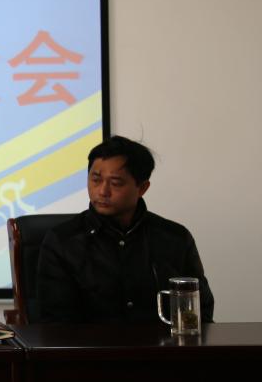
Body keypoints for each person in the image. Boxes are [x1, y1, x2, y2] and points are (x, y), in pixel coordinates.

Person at [37, 135, 215, 323]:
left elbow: (199, 313)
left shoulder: (174, 238)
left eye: (115, 183)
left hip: (160, 342)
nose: (102, 191)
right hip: (88, 343)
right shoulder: (63, 241)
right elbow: (56, 324)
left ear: (142, 188)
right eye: (96, 180)